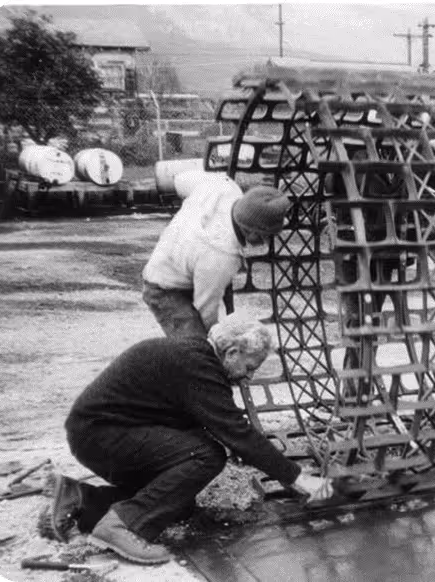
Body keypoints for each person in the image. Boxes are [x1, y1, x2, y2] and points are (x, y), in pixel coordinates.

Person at [41, 314, 333, 564]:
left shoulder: (197, 356)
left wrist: (280, 473)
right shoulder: (198, 367)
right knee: (207, 456)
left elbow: (222, 429)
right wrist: (297, 477)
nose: (249, 378)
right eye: (250, 367)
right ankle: (122, 525)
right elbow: (237, 433)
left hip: (107, 433)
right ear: (231, 353)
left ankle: (80, 499)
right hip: (101, 435)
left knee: (176, 504)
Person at [142, 173, 292, 338]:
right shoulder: (221, 256)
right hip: (164, 288)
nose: (266, 242)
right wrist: (215, 344)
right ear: (252, 231)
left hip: (185, 260)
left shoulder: (224, 187)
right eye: (266, 236)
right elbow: (206, 310)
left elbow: (180, 180)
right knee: (196, 350)